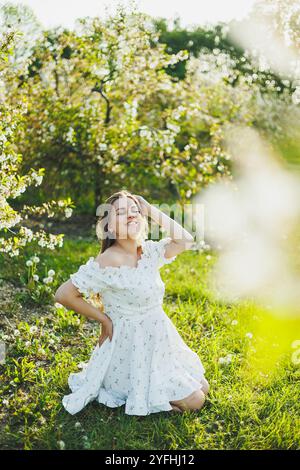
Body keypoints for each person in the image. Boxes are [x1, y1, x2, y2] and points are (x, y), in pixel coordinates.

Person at [54, 190, 209, 416]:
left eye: (135, 211)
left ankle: (162, 396)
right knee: (196, 400)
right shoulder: (108, 261)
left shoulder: (148, 252)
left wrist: (150, 209)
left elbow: (186, 240)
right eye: (122, 213)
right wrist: (104, 319)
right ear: (109, 227)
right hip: (130, 350)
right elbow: (63, 294)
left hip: (158, 341)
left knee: (203, 386)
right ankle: (149, 397)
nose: (131, 215)